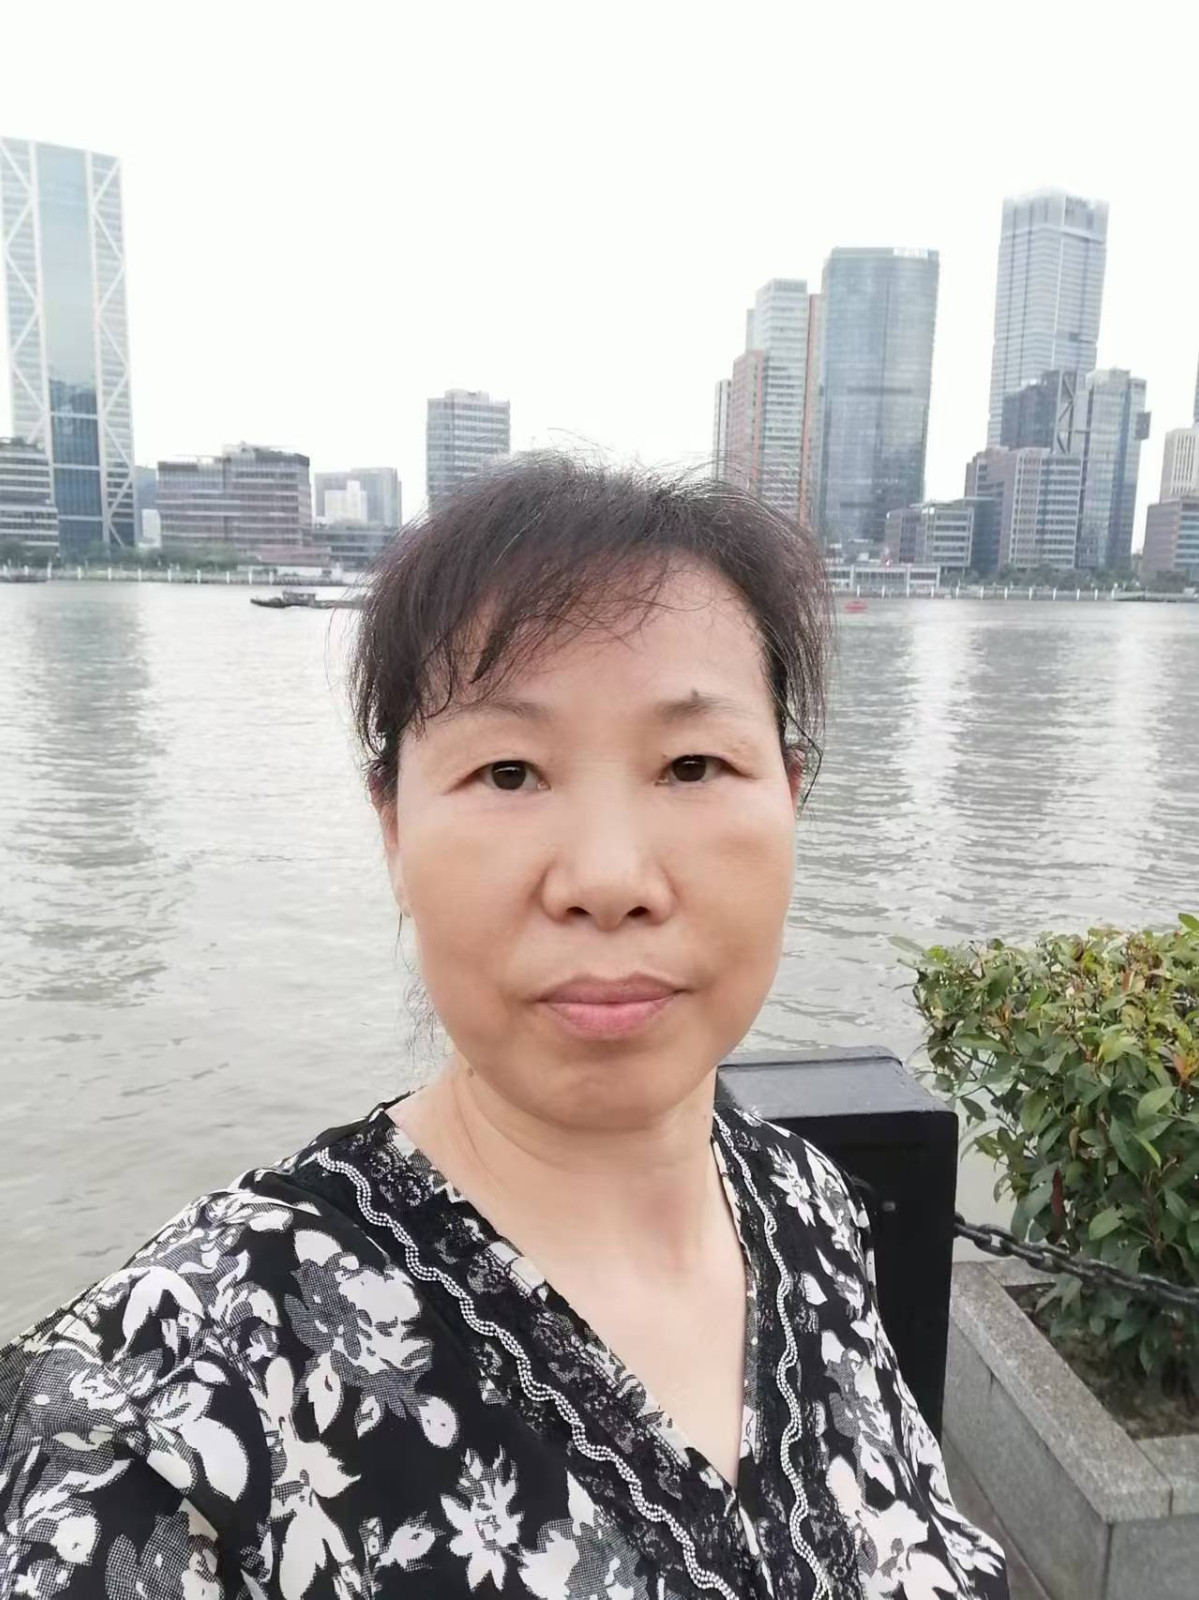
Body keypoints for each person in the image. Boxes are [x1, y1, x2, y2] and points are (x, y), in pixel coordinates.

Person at [0, 457, 1008, 1599]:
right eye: (510, 771)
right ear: (392, 826)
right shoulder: (172, 1396)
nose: (608, 880)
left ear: (791, 794)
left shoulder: (810, 1212)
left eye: (692, 764)